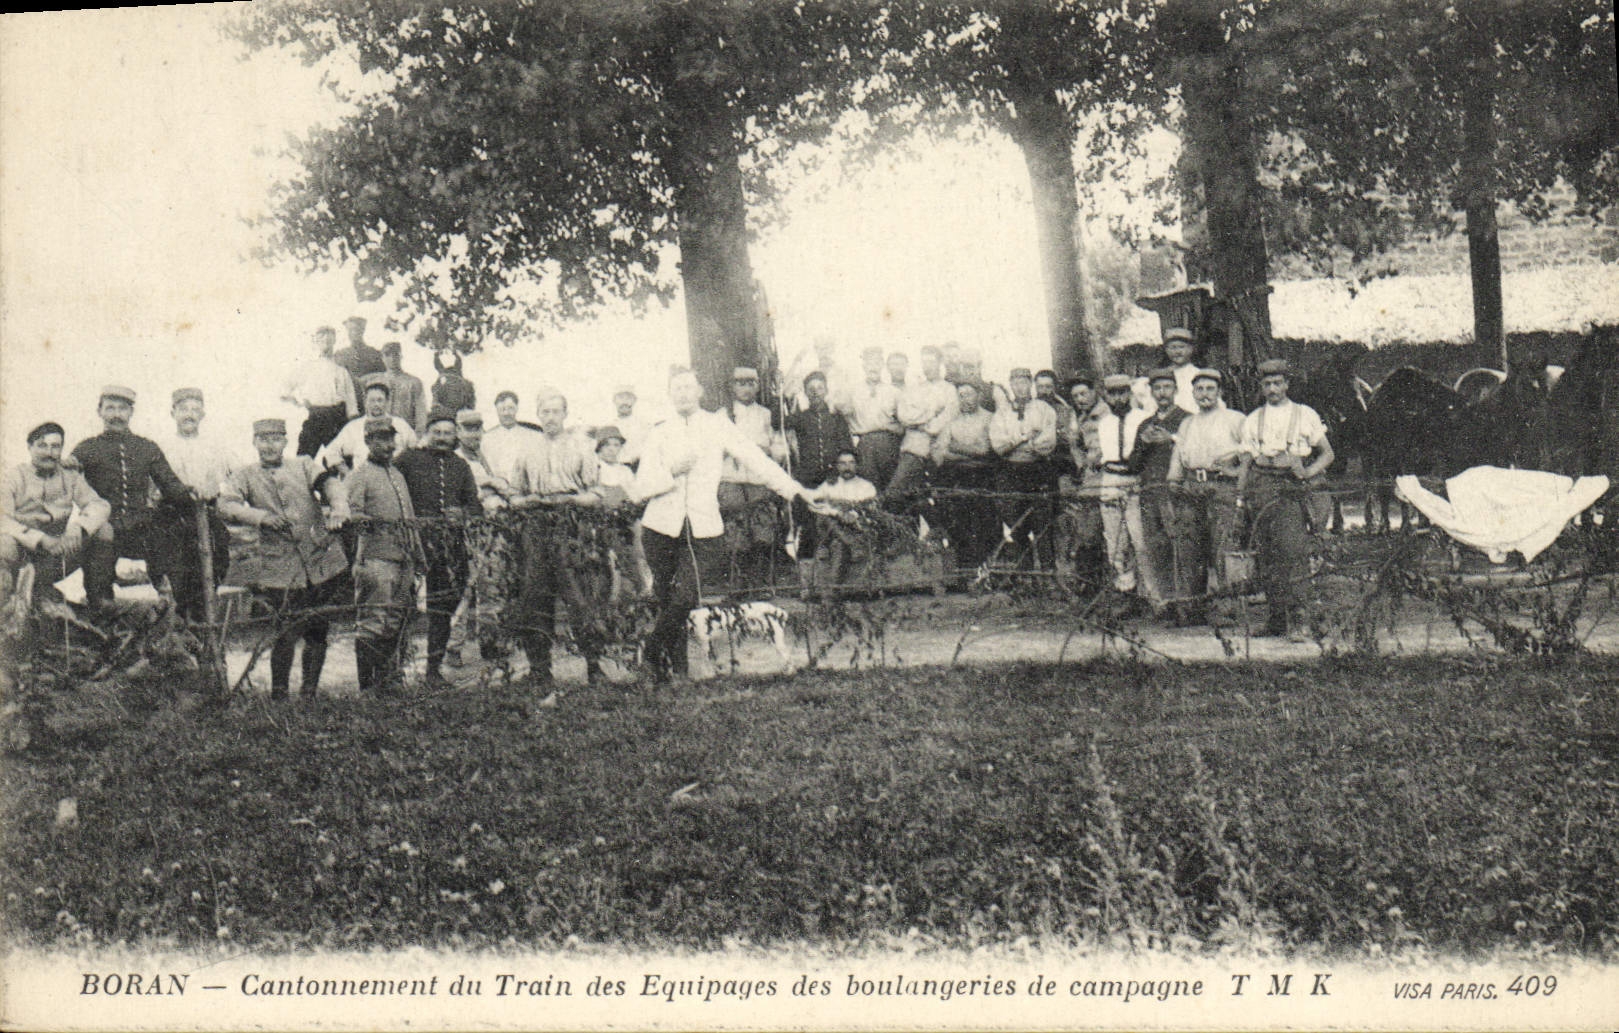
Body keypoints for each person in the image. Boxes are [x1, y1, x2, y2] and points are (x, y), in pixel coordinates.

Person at [629, 368, 814, 684]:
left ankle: (650, 651)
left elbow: (757, 461)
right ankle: (674, 671)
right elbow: (640, 488)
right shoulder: (659, 432)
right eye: (677, 389)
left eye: (688, 387)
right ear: (669, 394)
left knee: (686, 596)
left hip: (704, 526)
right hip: (660, 528)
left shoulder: (717, 425)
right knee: (666, 599)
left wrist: (795, 491)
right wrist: (672, 470)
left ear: (699, 391)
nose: (683, 394)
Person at [219, 418, 349, 700]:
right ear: (254, 442)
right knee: (285, 631)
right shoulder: (245, 475)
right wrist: (260, 517)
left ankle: (309, 692)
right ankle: (279, 695)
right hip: (280, 565)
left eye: (276, 439)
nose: (270, 446)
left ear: (285, 441)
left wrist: (339, 506)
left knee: (318, 630)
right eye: (263, 440)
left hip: (319, 561)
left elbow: (329, 483)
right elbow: (226, 504)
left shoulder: (303, 465)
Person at [509, 391, 608, 688]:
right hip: (537, 525)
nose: (550, 417)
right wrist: (527, 501)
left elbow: (596, 493)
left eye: (556, 411)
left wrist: (574, 500)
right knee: (535, 594)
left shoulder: (581, 448)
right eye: (545, 412)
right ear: (538, 415)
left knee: (578, 594)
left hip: (570, 524)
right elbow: (514, 494)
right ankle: (540, 669)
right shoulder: (527, 450)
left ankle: (594, 666)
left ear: (565, 414)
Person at [71, 385, 196, 614]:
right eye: (110, 408)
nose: (116, 415)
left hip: (141, 527)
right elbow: (65, 481)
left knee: (168, 532)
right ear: (99, 411)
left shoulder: (147, 448)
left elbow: (170, 484)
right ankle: (101, 605)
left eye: (122, 409)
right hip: (105, 526)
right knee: (98, 549)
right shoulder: (86, 449)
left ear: (131, 412)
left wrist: (192, 498)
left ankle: (173, 606)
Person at [1238, 358, 1334, 642]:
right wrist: (1241, 498)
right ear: (1261, 387)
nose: (1272, 389)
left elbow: (1328, 454)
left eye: (1277, 383)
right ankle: (1277, 618)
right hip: (1261, 484)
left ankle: (1300, 619)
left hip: (1291, 488)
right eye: (1267, 384)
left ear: (1287, 384)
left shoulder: (1305, 414)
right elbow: (1246, 462)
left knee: (1292, 552)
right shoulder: (1253, 419)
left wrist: (1307, 472)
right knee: (1267, 553)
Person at [394, 406, 482, 689]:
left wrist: (462, 514)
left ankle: (433, 670)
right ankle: (395, 670)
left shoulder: (460, 465)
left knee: (443, 606)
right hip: (413, 544)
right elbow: (392, 493)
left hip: (448, 548)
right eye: (437, 432)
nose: (442, 438)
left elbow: (475, 506)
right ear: (427, 433)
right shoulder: (408, 459)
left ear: (455, 435)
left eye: (448, 433)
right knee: (402, 605)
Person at [345, 417, 420, 694]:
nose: (388, 445)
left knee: (395, 619)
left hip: (403, 559)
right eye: (381, 439)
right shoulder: (359, 475)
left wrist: (417, 555)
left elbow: (409, 517)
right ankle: (368, 687)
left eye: (391, 439)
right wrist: (372, 523)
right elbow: (351, 516)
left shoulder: (397, 475)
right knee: (372, 621)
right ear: (367, 441)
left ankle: (389, 682)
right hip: (375, 558)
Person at [1166, 368, 1246, 622]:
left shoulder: (1235, 419)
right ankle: (1191, 608)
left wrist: (1236, 474)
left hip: (1221, 487)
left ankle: (1226, 609)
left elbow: (1249, 453)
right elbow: (1178, 456)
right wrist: (1173, 480)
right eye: (1199, 389)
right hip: (1191, 487)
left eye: (1210, 388)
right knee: (1189, 547)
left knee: (1223, 546)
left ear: (1220, 391)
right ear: (1193, 393)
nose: (1204, 394)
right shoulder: (1188, 423)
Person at [2, 422, 111, 603]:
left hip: (54, 558)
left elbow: (99, 505)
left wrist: (79, 527)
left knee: (104, 529)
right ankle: (6, 604)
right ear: (29, 447)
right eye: (42, 446)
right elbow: (3, 520)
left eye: (55, 446)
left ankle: (99, 603)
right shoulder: (13, 477)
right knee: (3, 543)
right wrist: (40, 539)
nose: (49, 452)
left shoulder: (70, 477)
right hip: (20, 559)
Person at [448, 408, 515, 666]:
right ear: (458, 431)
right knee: (464, 588)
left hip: (490, 529)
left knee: (491, 586)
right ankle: (453, 648)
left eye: (477, 429)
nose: (473, 434)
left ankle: (490, 643)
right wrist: (492, 483)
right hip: (466, 530)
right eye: (468, 429)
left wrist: (494, 483)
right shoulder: (455, 459)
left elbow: (504, 484)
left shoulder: (485, 457)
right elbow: (471, 492)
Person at [719, 366, 789, 591]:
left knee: (763, 530)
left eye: (751, 383)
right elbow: (710, 448)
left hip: (759, 479)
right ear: (733, 387)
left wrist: (766, 451)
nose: (746, 389)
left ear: (757, 387)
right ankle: (737, 585)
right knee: (736, 529)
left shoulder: (766, 414)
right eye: (741, 384)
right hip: (732, 477)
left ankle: (761, 584)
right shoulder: (723, 415)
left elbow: (779, 446)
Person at [1129, 368, 1193, 609]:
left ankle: (1186, 603)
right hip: (1150, 493)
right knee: (1157, 547)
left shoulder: (1187, 419)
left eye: (1167, 387)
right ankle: (1167, 603)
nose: (1162, 393)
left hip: (1176, 492)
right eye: (1157, 388)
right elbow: (1133, 465)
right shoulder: (1146, 424)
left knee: (1181, 546)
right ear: (1152, 392)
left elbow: (1194, 452)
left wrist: (1172, 439)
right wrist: (1143, 444)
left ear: (1175, 390)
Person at [160, 387, 233, 597]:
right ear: (173, 413)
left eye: (195, 410)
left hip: (208, 512)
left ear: (202, 414)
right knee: (177, 564)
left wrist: (217, 489)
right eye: (183, 409)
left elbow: (236, 477)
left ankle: (206, 603)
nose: (189, 415)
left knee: (218, 555)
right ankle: (181, 607)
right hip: (173, 514)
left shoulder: (216, 447)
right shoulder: (162, 447)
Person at [989, 367, 1059, 569]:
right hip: (1011, 472)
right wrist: (1023, 437)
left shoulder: (1044, 409)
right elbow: (999, 445)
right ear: (1011, 385)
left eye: (1024, 382)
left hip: (1038, 471)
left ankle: (1048, 574)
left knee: (1042, 526)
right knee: (1016, 525)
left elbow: (1047, 442)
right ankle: (1025, 576)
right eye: (1016, 383)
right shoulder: (1002, 413)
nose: (1020, 387)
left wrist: (1021, 445)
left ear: (1031, 384)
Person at [785, 371, 853, 563]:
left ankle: (837, 557)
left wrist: (838, 472)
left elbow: (846, 447)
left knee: (834, 517)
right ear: (806, 393)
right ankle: (808, 562)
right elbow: (777, 422)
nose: (815, 392)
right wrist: (783, 395)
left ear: (826, 391)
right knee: (807, 518)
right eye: (811, 389)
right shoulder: (801, 417)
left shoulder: (836, 418)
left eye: (819, 388)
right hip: (808, 477)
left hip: (831, 476)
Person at [932, 381, 998, 574]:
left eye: (969, 394)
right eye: (961, 395)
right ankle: (966, 572)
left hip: (984, 476)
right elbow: (940, 453)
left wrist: (956, 447)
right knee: (961, 524)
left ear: (978, 395)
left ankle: (988, 572)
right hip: (958, 477)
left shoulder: (990, 418)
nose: (965, 399)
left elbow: (985, 450)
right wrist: (969, 451)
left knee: (986, 524)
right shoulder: (953, 421)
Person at [1092, 373, 1149, 594]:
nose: (1118, 398)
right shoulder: (1104, 423)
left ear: (1129, 393)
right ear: (1106, 396)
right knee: (1115, 540)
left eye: (1122, 393)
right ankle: (1125, 590)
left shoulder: (1143, 418)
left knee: (1141, 539)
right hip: (1111, 479)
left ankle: (1150, 593)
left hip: (1135, 478)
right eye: (1112, 394)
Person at [887, 344, 957, 503]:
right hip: (914, 448)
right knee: (897, 492)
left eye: (931, 362)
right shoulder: (914, 389)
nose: (927, 367)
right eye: (924, 362)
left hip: (939, 450)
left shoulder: (949, 389)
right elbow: (904, 416)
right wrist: (932, 412)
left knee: (936, 498)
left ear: (940, 363)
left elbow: (948, 417)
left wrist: (921, 423)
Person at [282, 326, 358, 457]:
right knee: (304, 458)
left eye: (329, 340)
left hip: (336, 418)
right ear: (315, 342)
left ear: (334, 342)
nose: (326, 344)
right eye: (322, 340)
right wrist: (299, 401)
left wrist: (351, 423)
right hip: (315, 416)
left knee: (342, 457)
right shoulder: (306, 368)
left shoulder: (341, 371)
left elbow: (351, 403)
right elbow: (284, 390)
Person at [810, 449, 878, 595]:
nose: (847, 467)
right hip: (830, 531)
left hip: (854, 531)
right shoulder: (828, 485)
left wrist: (853, 515)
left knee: (839, 546)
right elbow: (814, 504)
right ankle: (849, 542)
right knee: (827, 519)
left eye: (851, 463)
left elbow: (870, 510)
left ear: (857, 465)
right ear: (837, 466)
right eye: (842, 463)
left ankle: (830, 595)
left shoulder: (866, 486)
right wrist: (838, 514)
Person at [318, 379, 418, 471]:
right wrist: (348, 474)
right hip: (364, 477)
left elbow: (416, 449)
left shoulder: (400, 424)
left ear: (387, 401)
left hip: (394, 475)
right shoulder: (353, 427)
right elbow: (331, 452)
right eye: (372, 400)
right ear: (365, 402)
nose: (376, 404)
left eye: (380, 400)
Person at [840, 346, 903, 490]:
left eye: (876, 363)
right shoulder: (853, 391)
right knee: (868, 487)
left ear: (882, 365)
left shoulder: (894, 392)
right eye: (869, 363)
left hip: (888, 443)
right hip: (865, 444)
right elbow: (841, 413)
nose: (873, 367)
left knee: (890, 487)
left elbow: (903, 421)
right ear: (863, 366)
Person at [483, 390, 541, 485]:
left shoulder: (533, 436)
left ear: (517, 408)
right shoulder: (486, 439)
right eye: (502, 409)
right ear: (497, 410)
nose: (506, 413)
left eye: (510, 408)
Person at [333, 315, 385, 411]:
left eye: (357, 330)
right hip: (347, 404)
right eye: (350, 330)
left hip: (370, 402)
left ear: (363, 331)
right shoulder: (339, 355)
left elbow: (383, 379)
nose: (353, 333)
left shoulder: (374, 354)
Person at [377, 341, 428, 436]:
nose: (392, 359)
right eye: (387, 355)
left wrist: (418, 436)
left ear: (401, 356)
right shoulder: (376, 381)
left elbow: (421, 413)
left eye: (395, 355)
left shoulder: (413, 382)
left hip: (405, 433)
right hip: (380, 433)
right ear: (382, 358)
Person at [606, 385, 647, 468]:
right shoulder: (609, 426)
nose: (624, 402)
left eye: (628, 398)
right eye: (620, 398)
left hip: (637, 467)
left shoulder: (643, 425)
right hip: (613, 468)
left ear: (634, 401)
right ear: (614, 401)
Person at [1163, 327, 1201, 415]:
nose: (1177, 352)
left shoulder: (1198, 374)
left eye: (1181, 347)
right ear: (1166, 350)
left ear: (1191, 349)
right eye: (1173, 347)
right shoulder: (1163, 374)